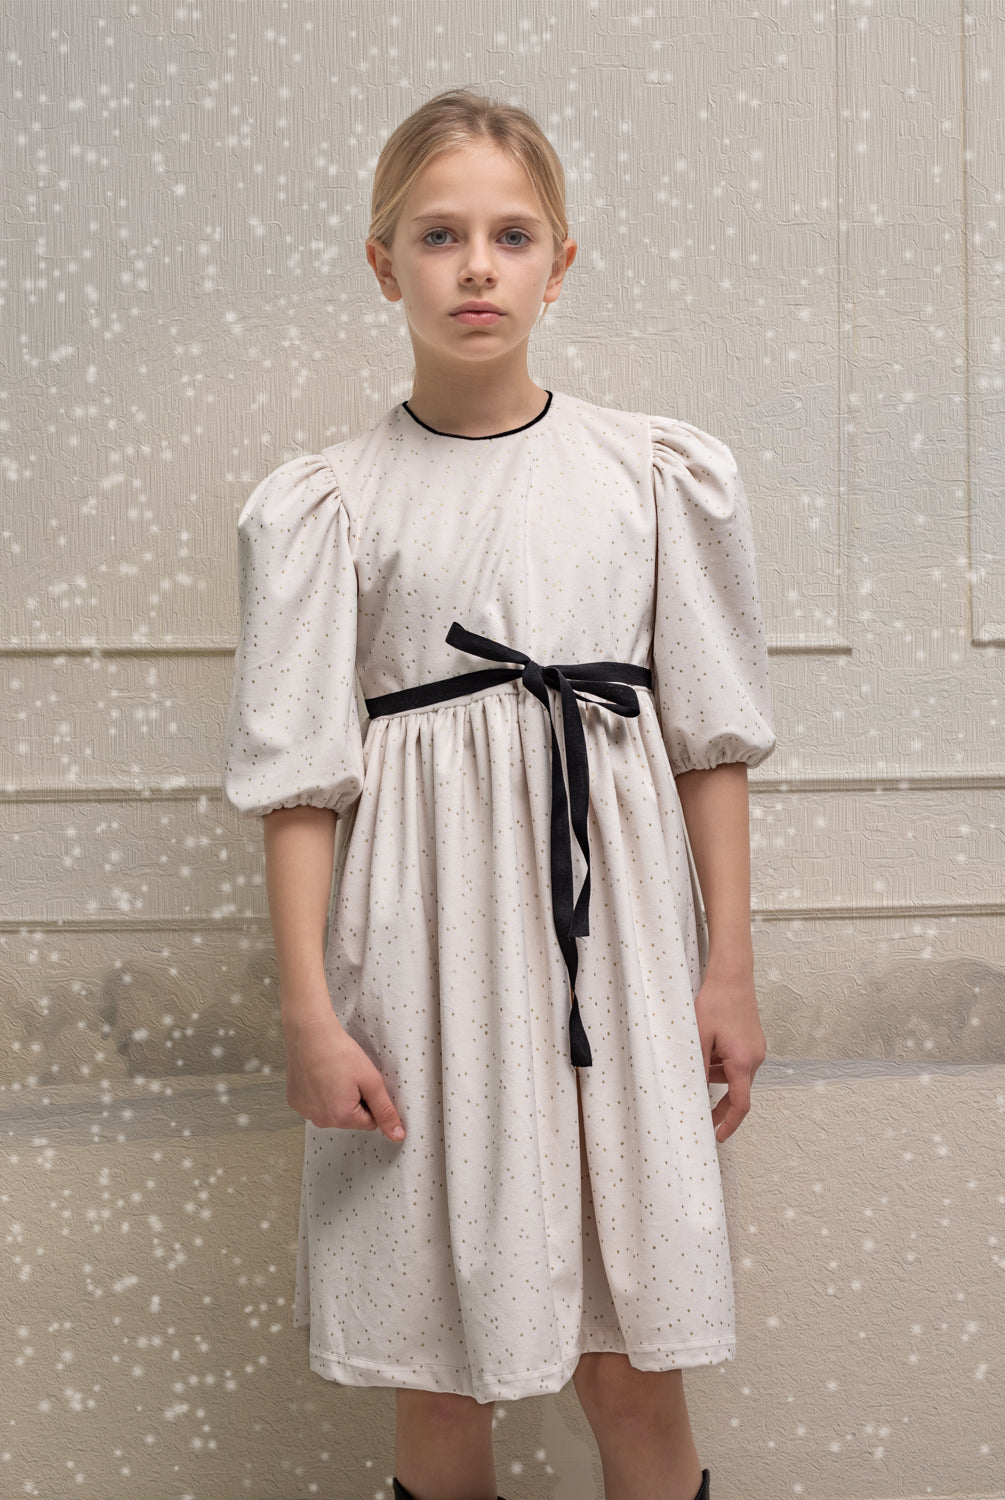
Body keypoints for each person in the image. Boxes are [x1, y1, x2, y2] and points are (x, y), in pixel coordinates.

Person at [222, 86, 776, 1500]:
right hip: (423, 969)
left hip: (621, 961)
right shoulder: (330, 503)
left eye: (511, 236)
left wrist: (727, 970)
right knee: (440, 1372)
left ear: (559, 263)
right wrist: (309, 1013)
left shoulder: (652, 474)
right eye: (439, 235)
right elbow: (300, 786)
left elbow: (708, 744)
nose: (477, 267)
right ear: (384, 263)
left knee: (633, 1368)